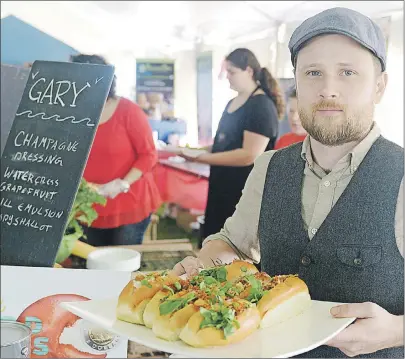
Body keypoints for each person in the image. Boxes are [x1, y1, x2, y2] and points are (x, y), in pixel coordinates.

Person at [173, 8, 403, 358]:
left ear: (379, 86)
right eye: (313, 73)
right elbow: (232, 245)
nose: (328, 90)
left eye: (348, 73)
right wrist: (206, 264)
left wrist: (397, 331)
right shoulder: (269, 167)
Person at [182, 48, 284, 241]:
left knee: (234, 247)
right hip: (221, 187)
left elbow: (248, 155)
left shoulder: (260, 106)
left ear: (249, 71)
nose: (227, 77)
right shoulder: (232, 103)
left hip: (243, 191)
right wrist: (192, 151)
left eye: (232, 72)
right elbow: (223, 144)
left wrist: (201, 158)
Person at [71, 54, 161, 246]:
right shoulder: (71, 113)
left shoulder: (128, 111)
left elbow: (149, 154)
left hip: (128, 203)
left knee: (122, 264)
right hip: (87, 206)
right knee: (92, 263)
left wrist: (122, 183)